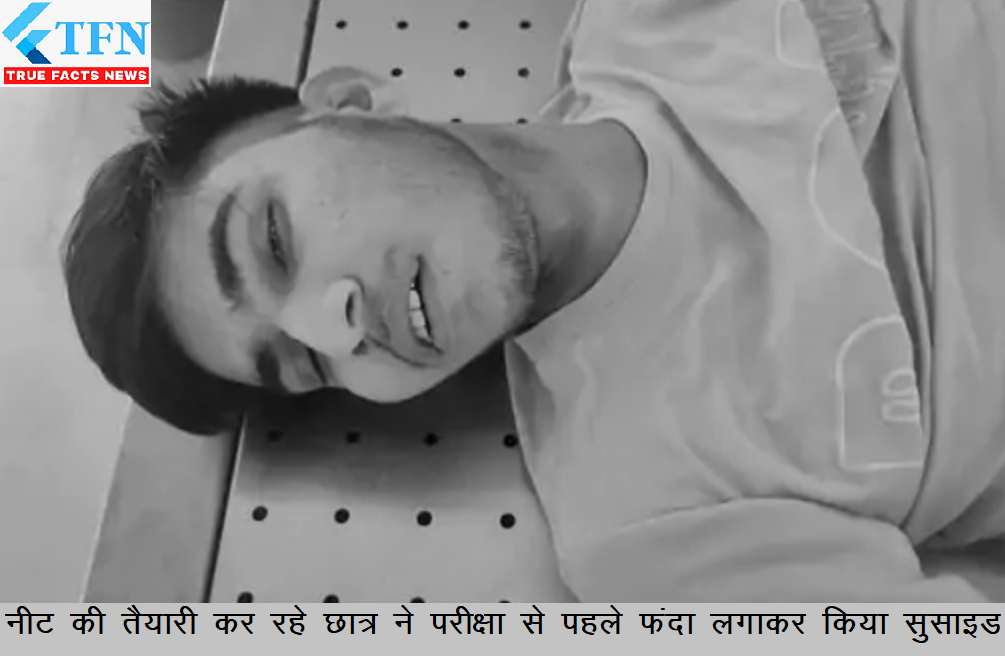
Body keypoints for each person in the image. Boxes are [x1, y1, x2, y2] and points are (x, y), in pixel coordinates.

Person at [62, 0, 1005, 601]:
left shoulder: (648, 19)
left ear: (343, 101)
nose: (336, 328)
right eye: (305, 365)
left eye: (274, 241)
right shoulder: (655, 531)